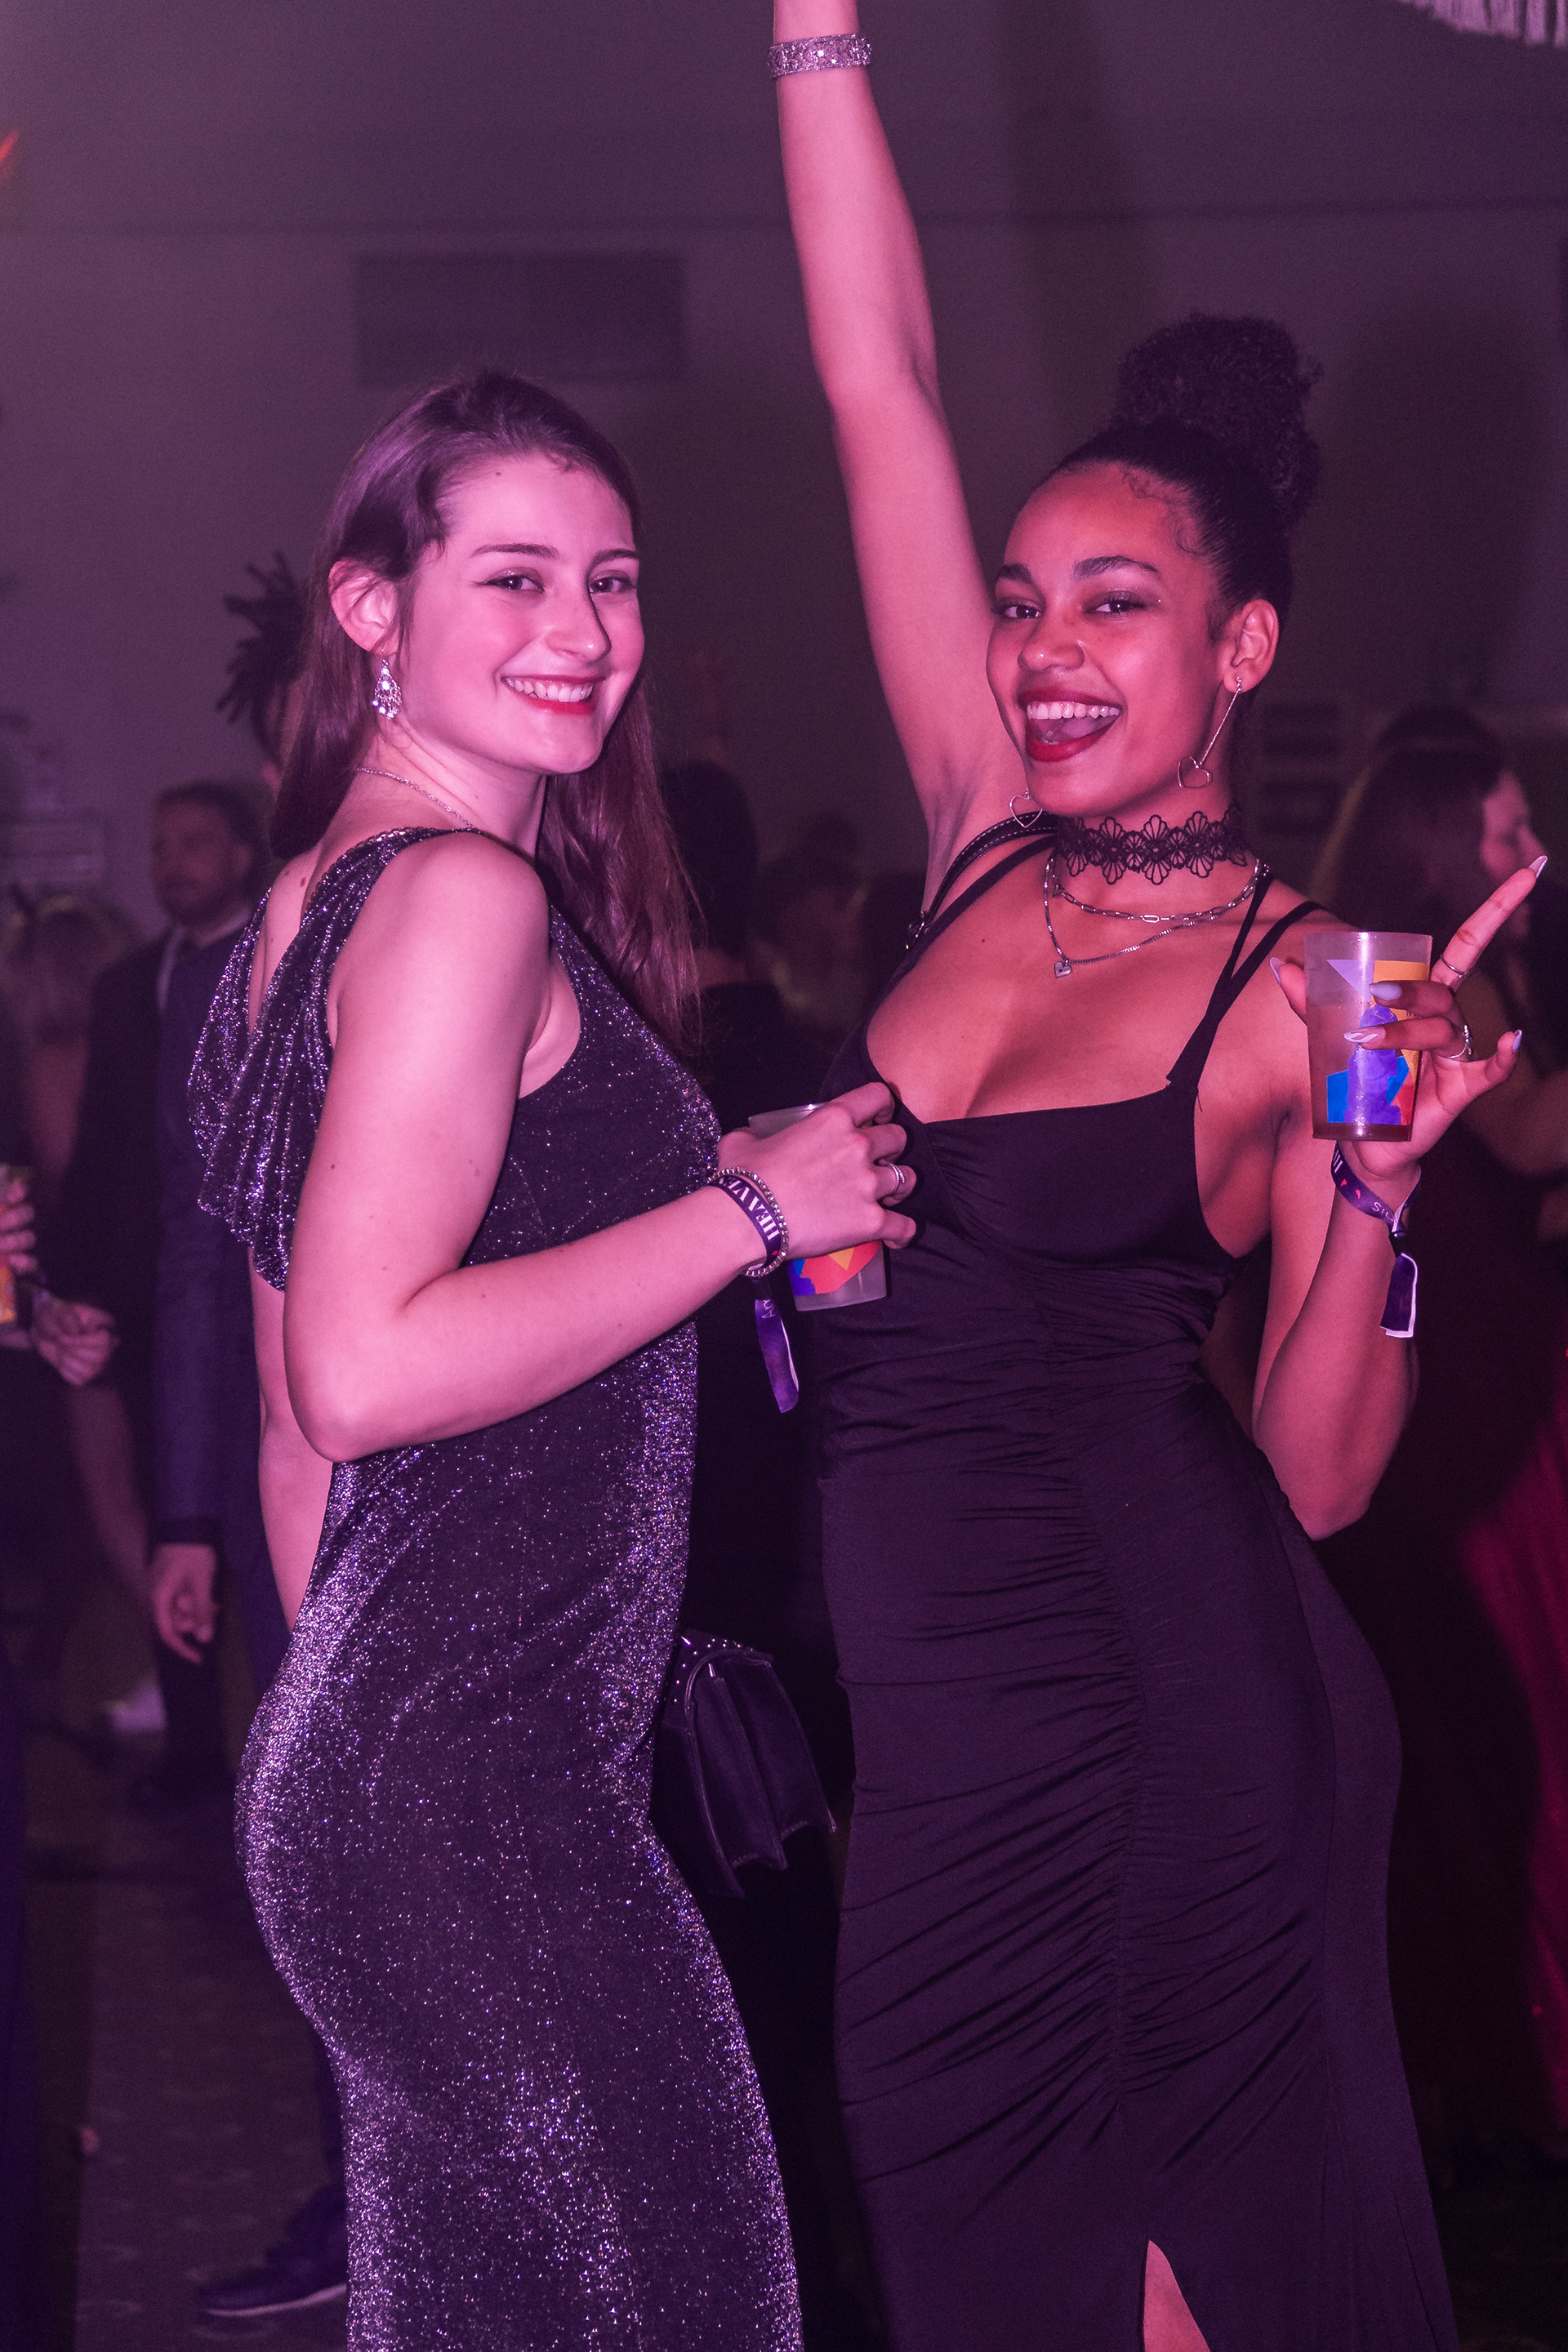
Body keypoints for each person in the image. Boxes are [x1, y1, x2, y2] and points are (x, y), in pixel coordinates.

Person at [771, 14, 1537, 2347]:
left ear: (1242, 643)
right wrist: (813, 31)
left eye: (1113, 603)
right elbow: (882, 383)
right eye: (1021, 599)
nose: (1044, 650)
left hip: (1171, 1726)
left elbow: (1311, 1478)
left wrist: (1377, 1186)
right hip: (934, 1752)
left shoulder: (1319, 984)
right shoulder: (972, 831)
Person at [188, 368, 914, 2346]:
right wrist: (746, 1210)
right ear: (371, 608)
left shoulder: (296, 915)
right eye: (513, 577)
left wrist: (354, 1770)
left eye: (612, 579)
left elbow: (293, 1444)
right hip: (480, 1796)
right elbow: (354, 1376)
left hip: (388, 1780)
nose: (582, 630)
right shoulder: (465, 898)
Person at [1314, 738, 1568, 2168]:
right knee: (1495, 1686)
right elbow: (1517, 1141)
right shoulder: (1392, 974)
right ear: (1435, 844)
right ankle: (1507, 2047)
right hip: (1449, 1382)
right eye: (1507, 830)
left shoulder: (1449, 970)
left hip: (1488, 1356)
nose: (1531, 855)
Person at [149, 556, 351, 2323]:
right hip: (309, 1516)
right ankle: (373, 2203)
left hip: (487, 1510)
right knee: (321, 1887)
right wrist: (187, 1511)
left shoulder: (508, 906)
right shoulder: (250, 965)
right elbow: (207, 1267)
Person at [45, 785, 268, 1787]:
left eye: (193, 844)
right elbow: (99, 1150)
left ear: (242, 853)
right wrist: (70, 1283)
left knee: (243, 1507)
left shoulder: (277, 959)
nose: (172, 863)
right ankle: (190, 1738)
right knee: (157, 1495)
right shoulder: (131, 984)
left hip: (251, 1293)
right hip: (149, 1286)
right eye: (160, 846)